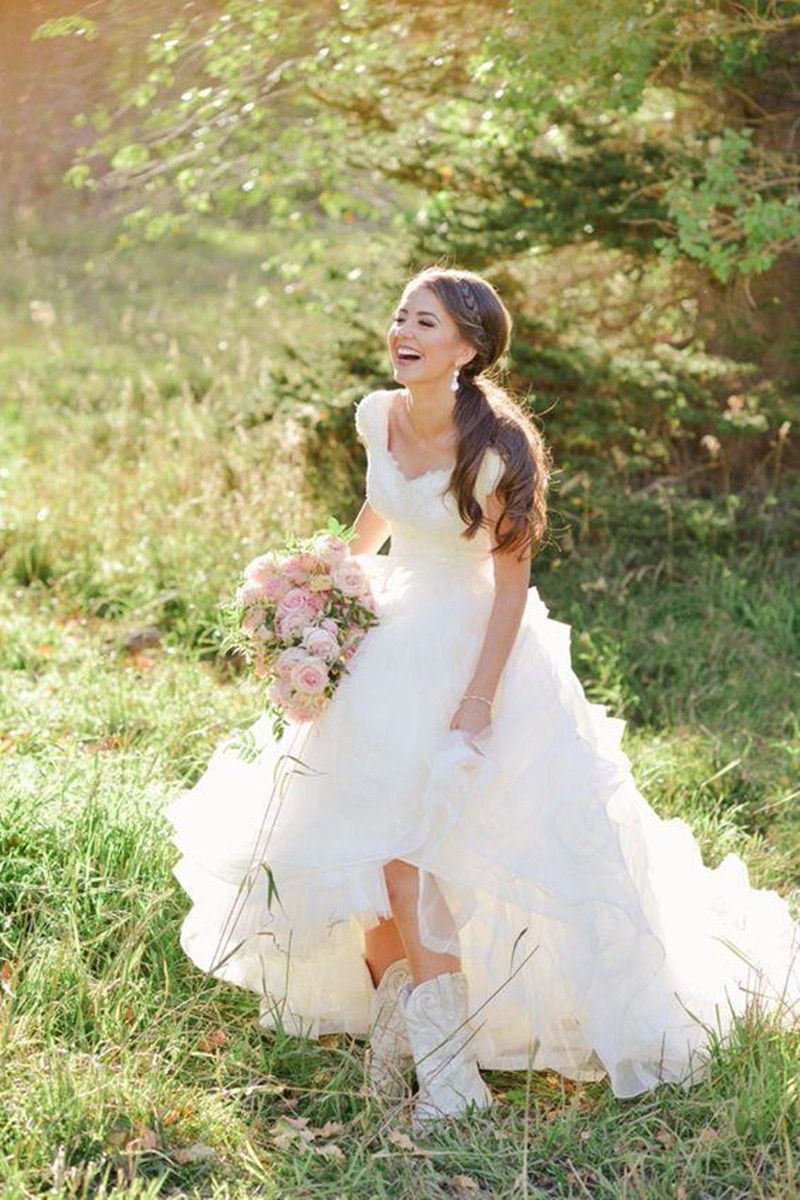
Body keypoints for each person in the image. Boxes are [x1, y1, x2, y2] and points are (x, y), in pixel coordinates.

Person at [165, 266, 799, 1132]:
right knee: (364, 846)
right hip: (388, 636)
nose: (404, 332)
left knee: (416, 852)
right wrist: (323, 587)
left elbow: (510, 587)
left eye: (424, 322)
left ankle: (454, 1077)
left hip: (469, 644)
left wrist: (478, 702)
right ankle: (400, 1039)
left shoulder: (497, 446)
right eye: (399, 317)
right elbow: (378, 511)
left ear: (467, 348)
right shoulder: (378, 417)